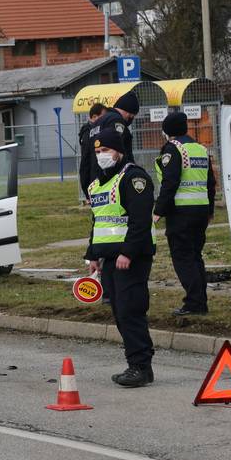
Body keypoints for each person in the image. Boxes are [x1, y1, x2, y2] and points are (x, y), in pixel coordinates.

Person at [85, 129, 156, 387]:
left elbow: (139, 220)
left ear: (119, 152)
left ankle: (141, 367)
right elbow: (99, 222)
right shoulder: (98, 183)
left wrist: (127, 252)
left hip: (131, 257)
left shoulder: (133, 178)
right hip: (110, 259)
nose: (101, 155)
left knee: (131, 310)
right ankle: (135, 364)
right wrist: (92, 255)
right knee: (119, 312)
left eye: (106, 151)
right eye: (98, 151)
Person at [153, 112, 216, 317]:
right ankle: (200, 301)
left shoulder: (173, 149)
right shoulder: (200, 148)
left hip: (181, 212)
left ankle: (194, 303)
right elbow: (210, 183)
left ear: (167, 130)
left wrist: (158, 211)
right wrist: (210, 210)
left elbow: (170, 182)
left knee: (183, 257)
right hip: (201, 210)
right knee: (195, 256)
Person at [88, 90, 139, 182]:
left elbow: (87, 154)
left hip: (97, 176)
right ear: (129, 112)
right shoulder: (117, 121)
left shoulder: (98, 122)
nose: (131, 119)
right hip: (114, 176)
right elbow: (116, 150)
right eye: (132, 115)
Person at [79, 103, 107, 197]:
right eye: (104, 116)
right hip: (94, 181)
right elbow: (85, 162)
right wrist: (86, 189)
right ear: (94, 117)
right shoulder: (88, 134)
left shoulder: (97, 130)